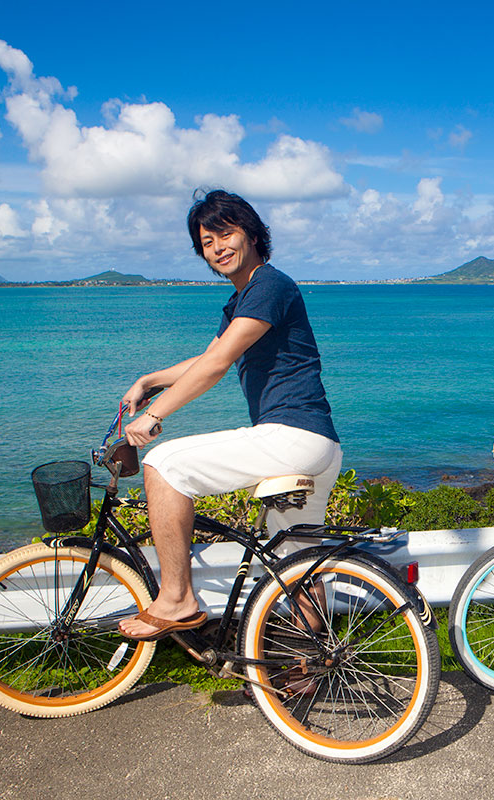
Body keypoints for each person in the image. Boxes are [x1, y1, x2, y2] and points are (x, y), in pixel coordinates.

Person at [118, 189, 342, 641]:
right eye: (207, 242)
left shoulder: (269, 285)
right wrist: (149, 380)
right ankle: (311, 660)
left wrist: (154, 415)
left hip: (291, 436)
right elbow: (209, 357)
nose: (217, 247)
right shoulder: (245, 300)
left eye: (226, 234)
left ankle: (177, 599)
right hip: (320, 445)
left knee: (163, 464)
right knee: (295, 565)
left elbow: (218, 364)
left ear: (253, 235)